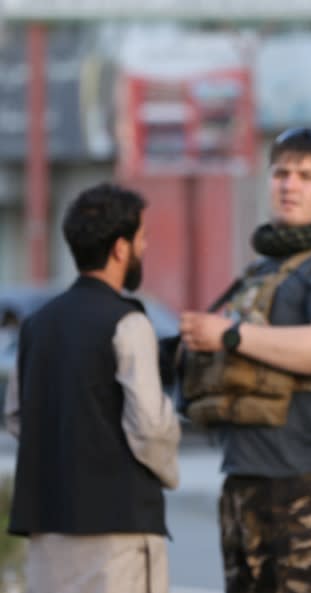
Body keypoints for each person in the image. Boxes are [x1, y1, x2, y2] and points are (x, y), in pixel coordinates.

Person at [178, 127, 311, 593]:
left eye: (306, 176)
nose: (289, 185)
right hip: (248, 480)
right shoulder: (264, 268)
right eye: (281, 173)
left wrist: (230, 335)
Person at [4, 183, 181, 593]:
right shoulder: (128, 322)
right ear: (121, 248)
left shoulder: (36, 324)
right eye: (142, 237)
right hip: (118, 531)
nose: (145, 246)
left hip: (47, 528)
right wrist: (167, 465)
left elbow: (18, 417)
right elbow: (150, 427)